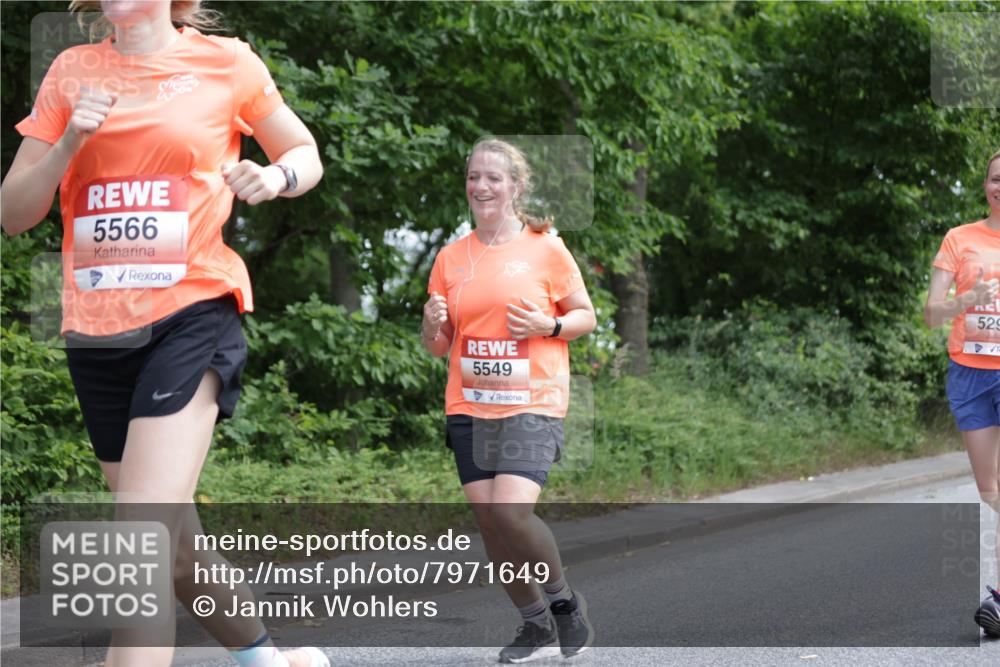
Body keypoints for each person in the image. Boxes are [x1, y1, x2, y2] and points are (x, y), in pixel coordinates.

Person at [1, 1, 327, 665]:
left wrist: (274, 176)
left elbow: (303, 150)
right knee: (175, 546)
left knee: (138, 541)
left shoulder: (226, 62)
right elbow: (13, 214)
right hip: (97, 334)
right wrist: (68, 143)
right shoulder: (71, 71)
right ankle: (268, 661)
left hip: (192, 311)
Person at [422, 137, 597, 662]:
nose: (481, 186)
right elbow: (438, 348)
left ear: (516, 186)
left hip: (532, 401)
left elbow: (585, 316)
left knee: (511, 512)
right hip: (470, 405)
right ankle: (534, 624)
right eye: (474, 177)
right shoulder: (452, 258)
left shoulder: (545, 248)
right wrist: (431, 326)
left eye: (493, 178)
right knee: (490, 524)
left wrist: (551, 324)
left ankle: (565, 605)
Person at [925, 148, 1000, 638]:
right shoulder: (960, 239)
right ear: (986, 185)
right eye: (996, 179)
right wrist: (967, 299)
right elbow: (932, 313)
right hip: (970, 373)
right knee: (990, 490)